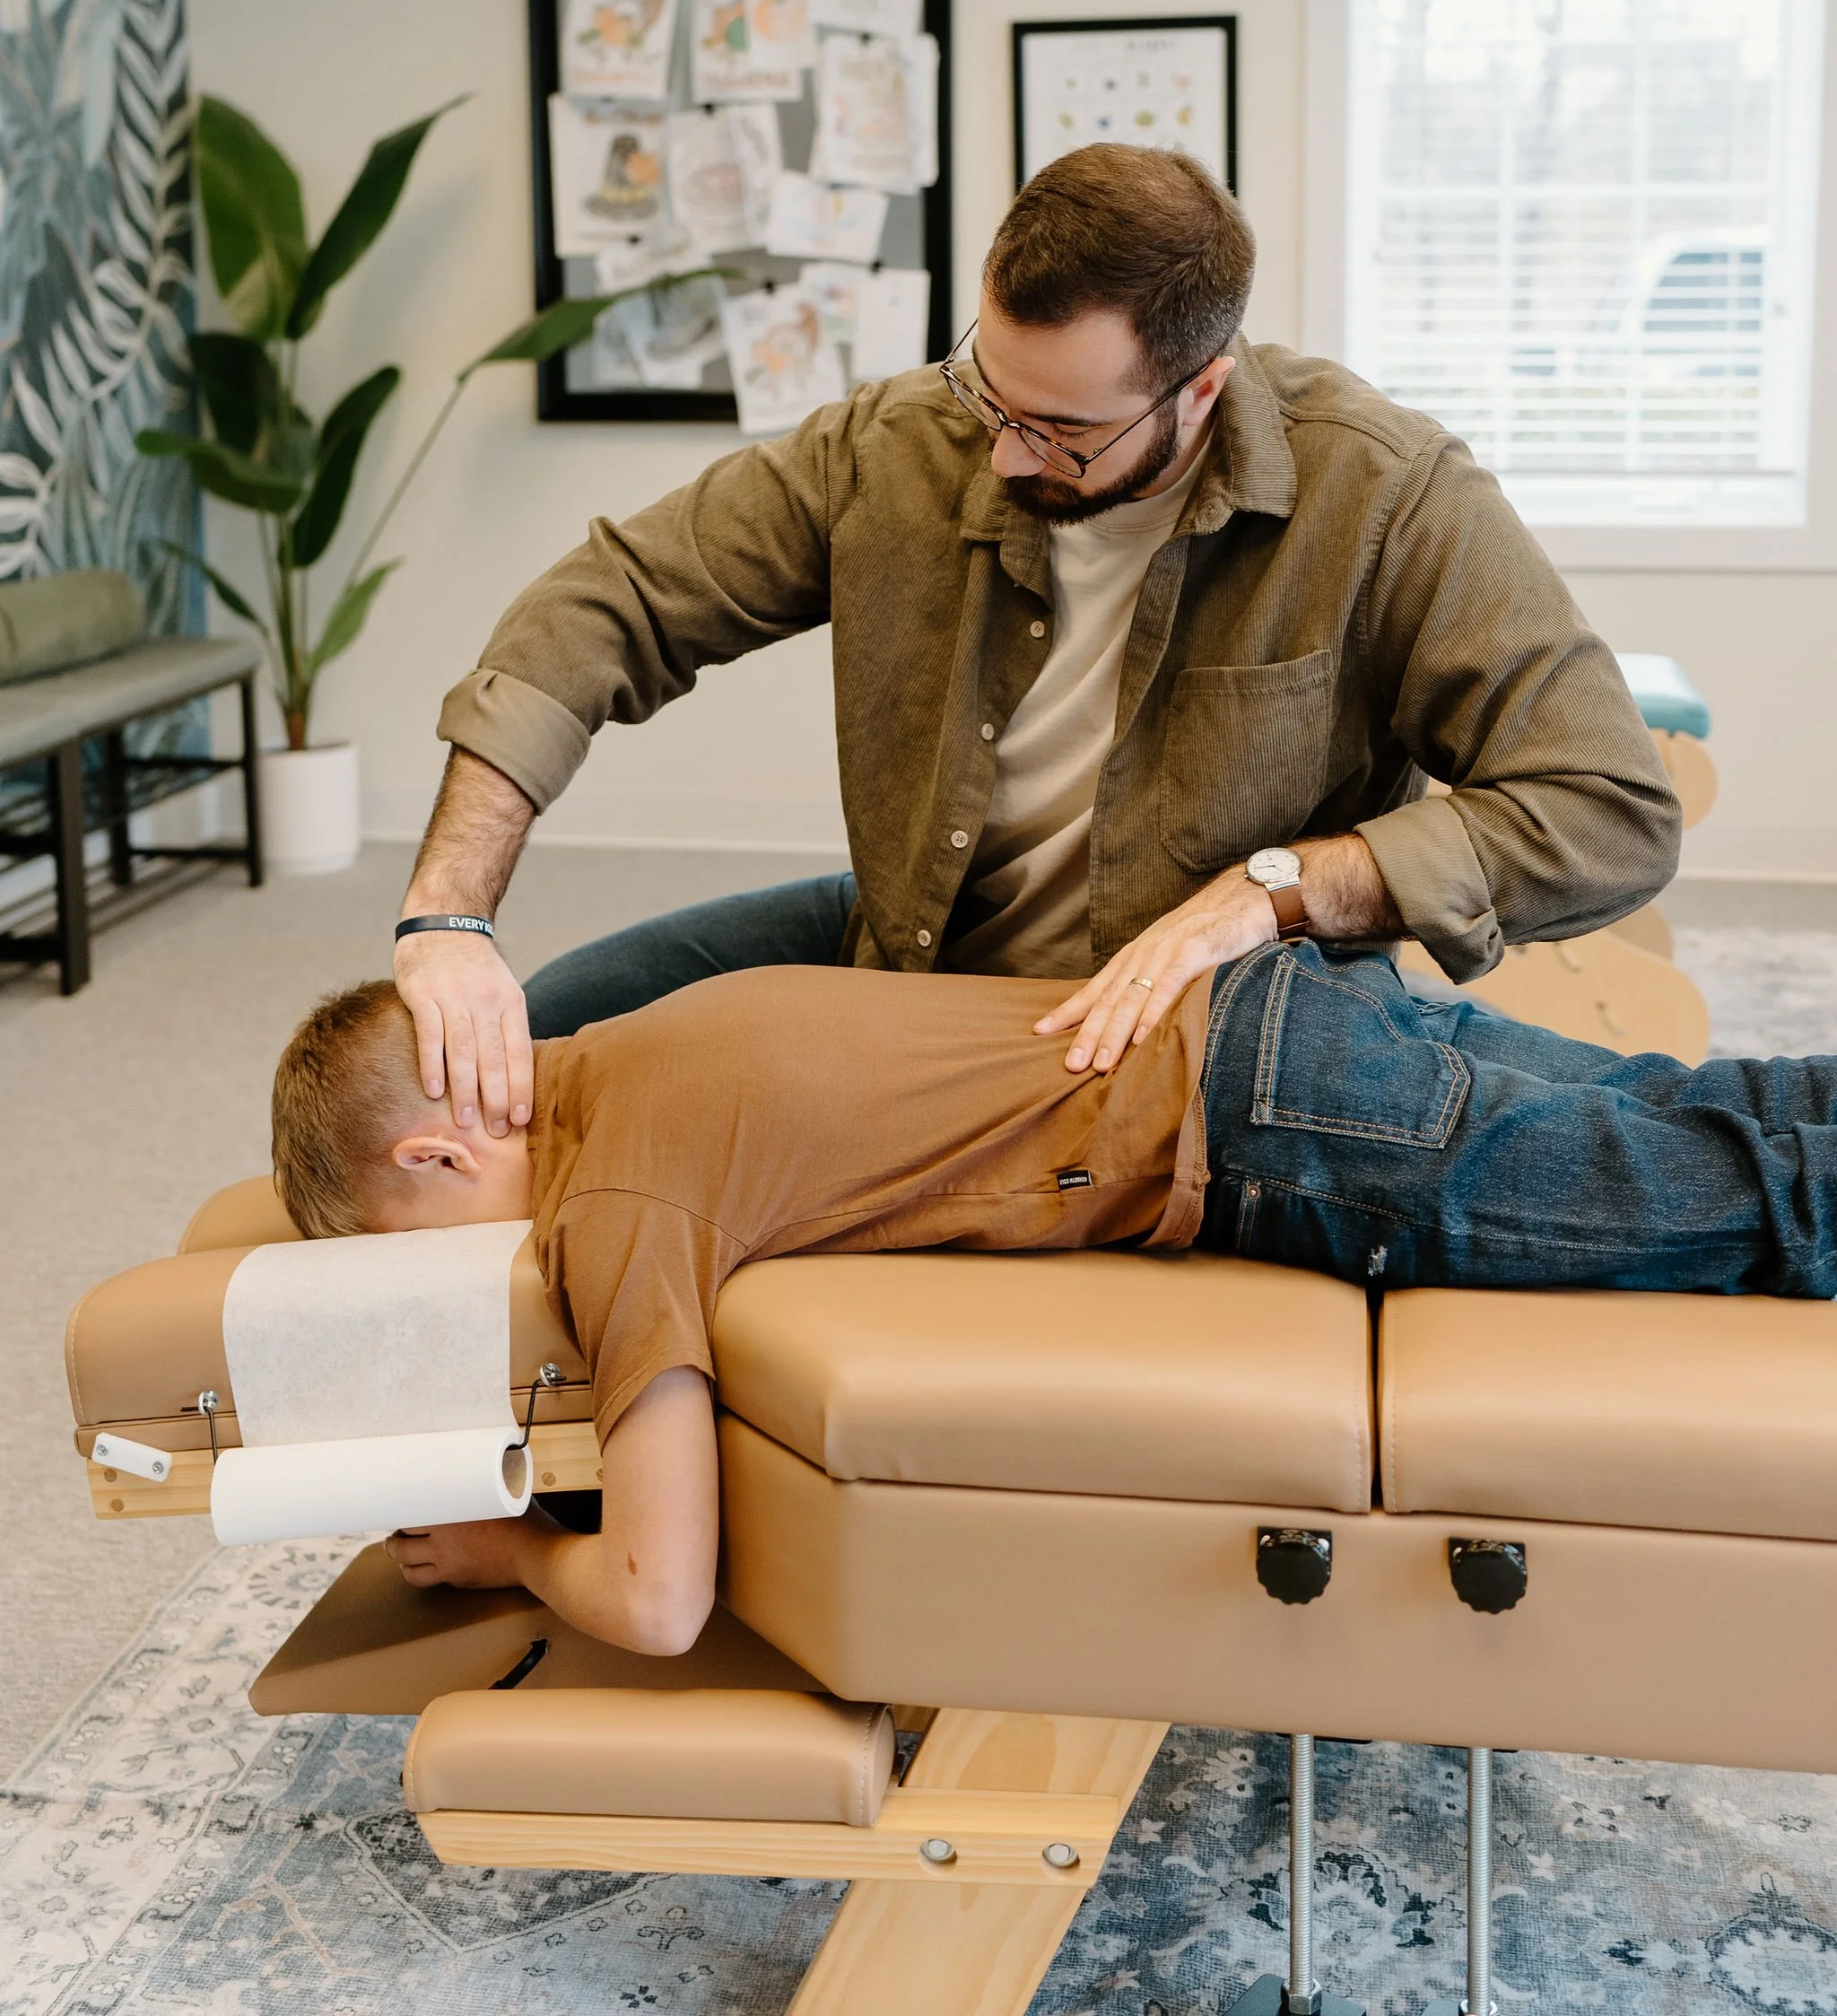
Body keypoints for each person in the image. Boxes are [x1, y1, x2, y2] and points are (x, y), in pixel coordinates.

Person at [392, 144, 1680, 1140]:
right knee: (525, 1046)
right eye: (987, 388)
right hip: (918, 938)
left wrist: (1280, 884)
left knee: (1614, 1121)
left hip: (1198, 1015)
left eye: (1062, 431)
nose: (1006, 453)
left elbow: (1610, 810)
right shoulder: (901, 446)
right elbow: (608, 602)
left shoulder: (1385, 494)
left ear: (1202, 388)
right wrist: (448, 911)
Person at [270, 938, 1837, 1661]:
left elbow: (662, 1605)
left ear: (442, 1142)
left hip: (1292, 1140)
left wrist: (518, 1553)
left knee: (1769, 1211)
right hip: (1279, 1006)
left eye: (425, 1238)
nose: (467, 1273)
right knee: (1727, 1110)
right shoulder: (663, 1029)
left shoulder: (614, 1209)